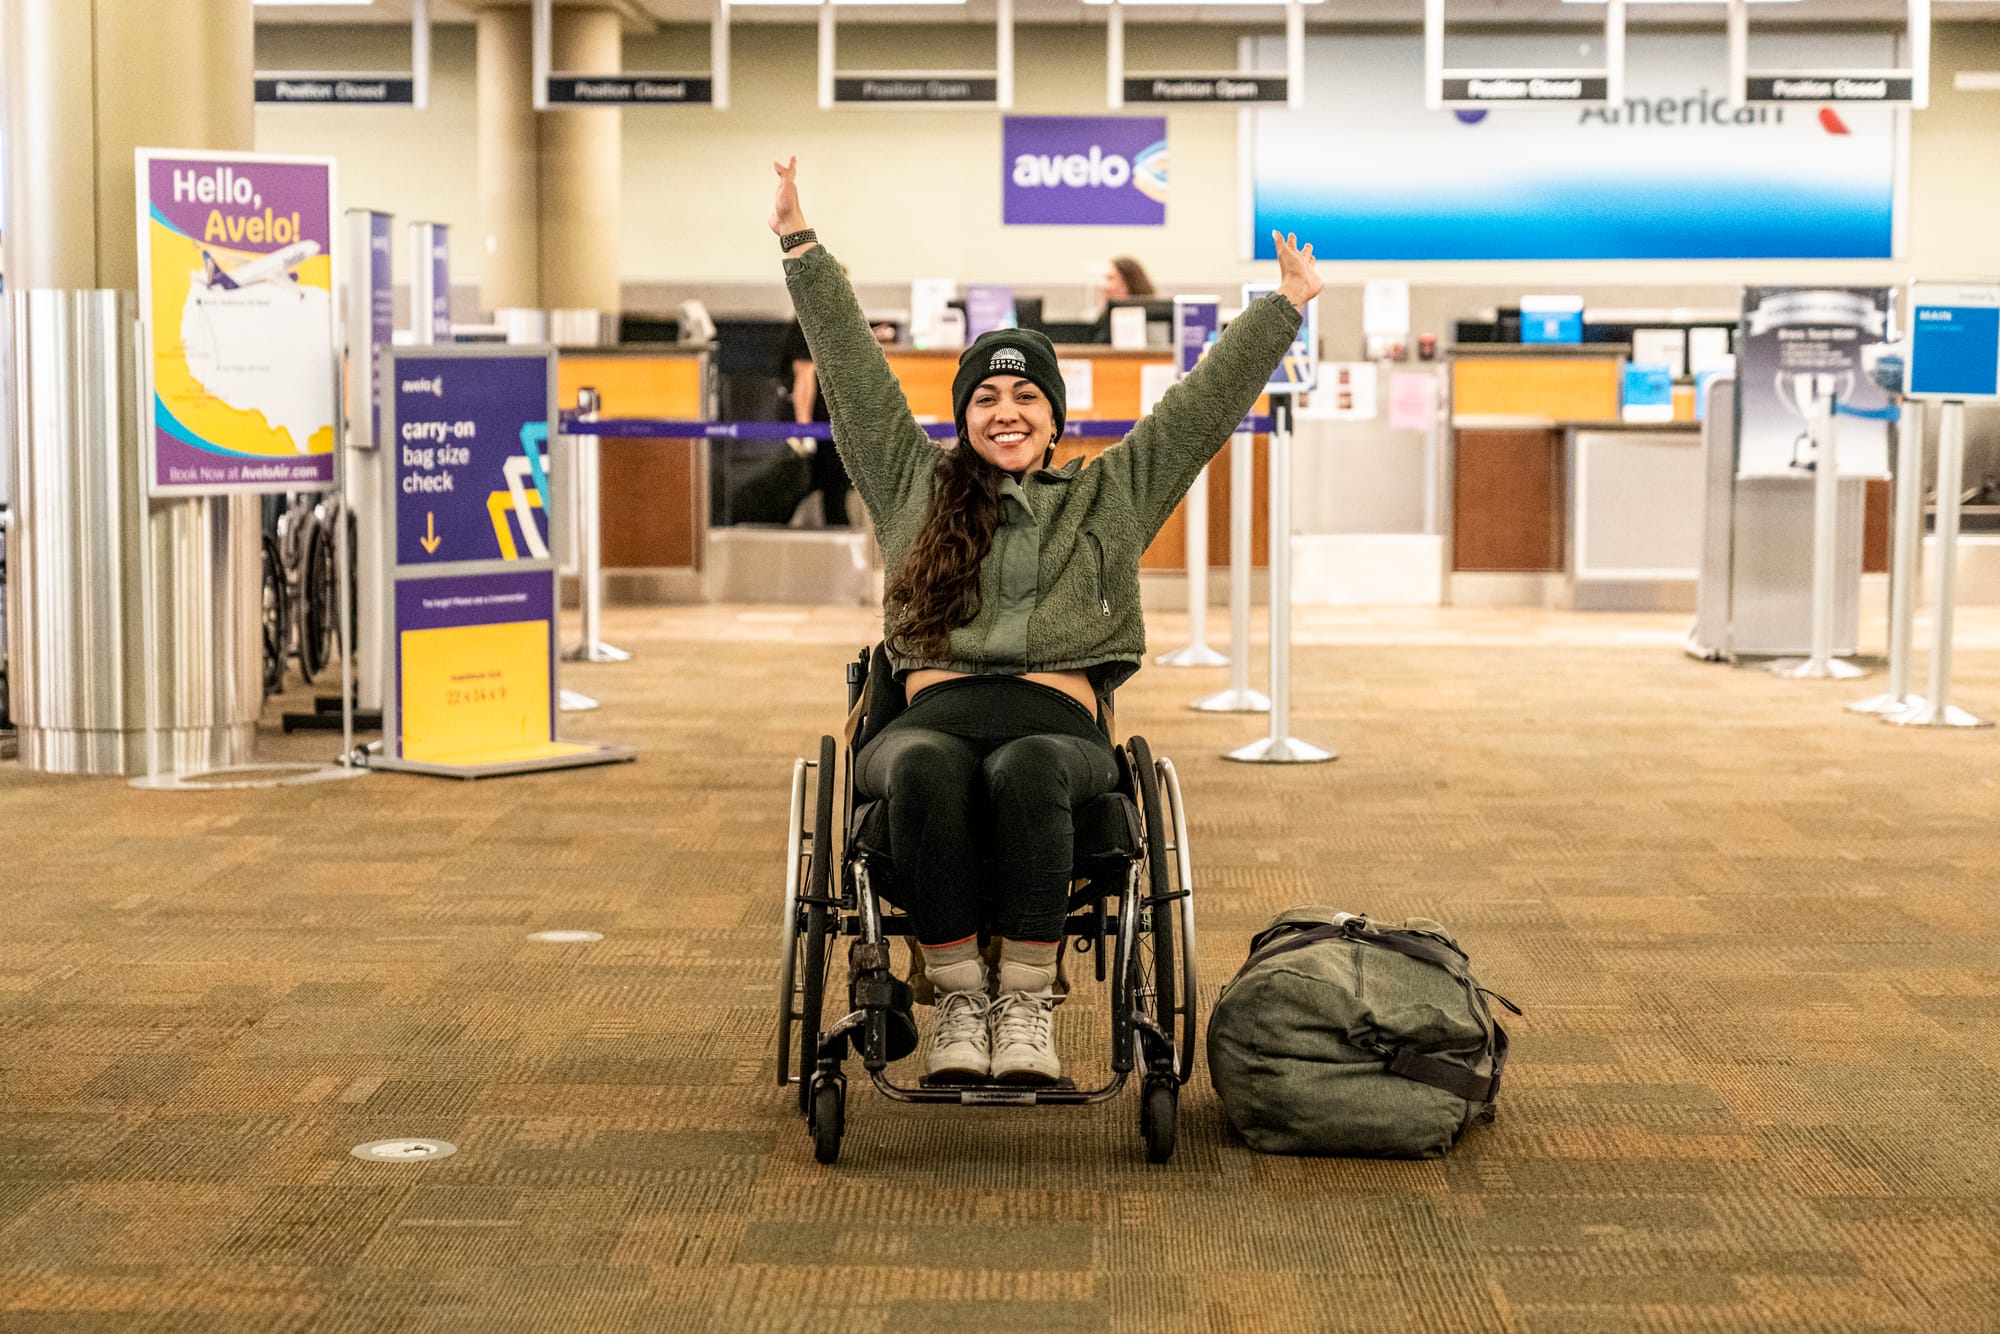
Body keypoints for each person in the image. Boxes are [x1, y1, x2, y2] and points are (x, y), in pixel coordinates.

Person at [771, 156, 1320, 1085]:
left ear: (1056, 420)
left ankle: (1023, 1006)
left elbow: (1198, 410)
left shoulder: (1106, 499)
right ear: (963, 419)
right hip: (928, 720)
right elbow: (854, 373)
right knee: (929, 769)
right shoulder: (914, 489)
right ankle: (955, 1005)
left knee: (1026, 770)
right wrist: (800, 245)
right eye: (986, 396)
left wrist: (1284, 306)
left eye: (1027, 396)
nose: (1006, 410)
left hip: (1056, 730)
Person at [1089, 256, 1157, 343]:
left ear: (1128, 283)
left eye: (1110, 278)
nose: (1103, 285)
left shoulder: (1151, 319)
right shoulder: (1103, 319)